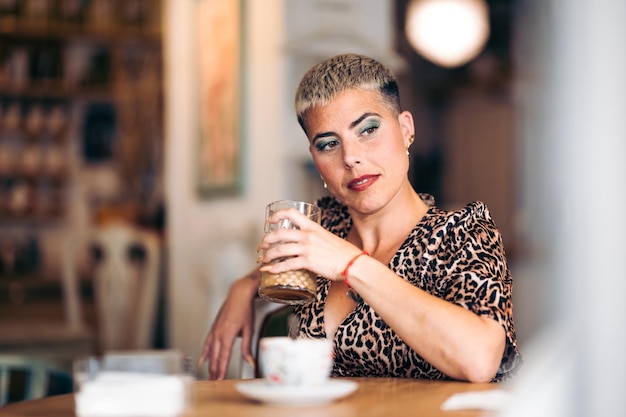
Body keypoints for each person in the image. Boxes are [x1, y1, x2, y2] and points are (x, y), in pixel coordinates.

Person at [199, 53, 522, 383]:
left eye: (368, 129)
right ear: (315, 158)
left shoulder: (461, 231)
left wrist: (352, 265)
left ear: (406, 129)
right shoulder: (326, 225)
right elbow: (280, 269)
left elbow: (480, 360)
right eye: (328, 144)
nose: (350, 157)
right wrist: (245, 285)